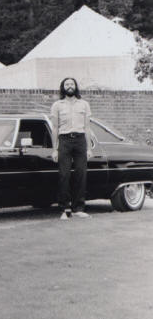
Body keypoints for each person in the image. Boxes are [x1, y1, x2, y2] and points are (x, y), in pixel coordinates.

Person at [50, 77, 93, 220]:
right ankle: (64, 209)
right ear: (63, 87)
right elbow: (55, 128)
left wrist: (89, 148)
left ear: (75, 86)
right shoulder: (57, 105)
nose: (69, 86)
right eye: (67, 84)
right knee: (64, 174)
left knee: (81, 174)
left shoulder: (84, 104)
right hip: (64, 140)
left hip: (80, 140)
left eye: (72, 84)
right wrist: (54, 149)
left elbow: (87, 127)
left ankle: (78, 208)